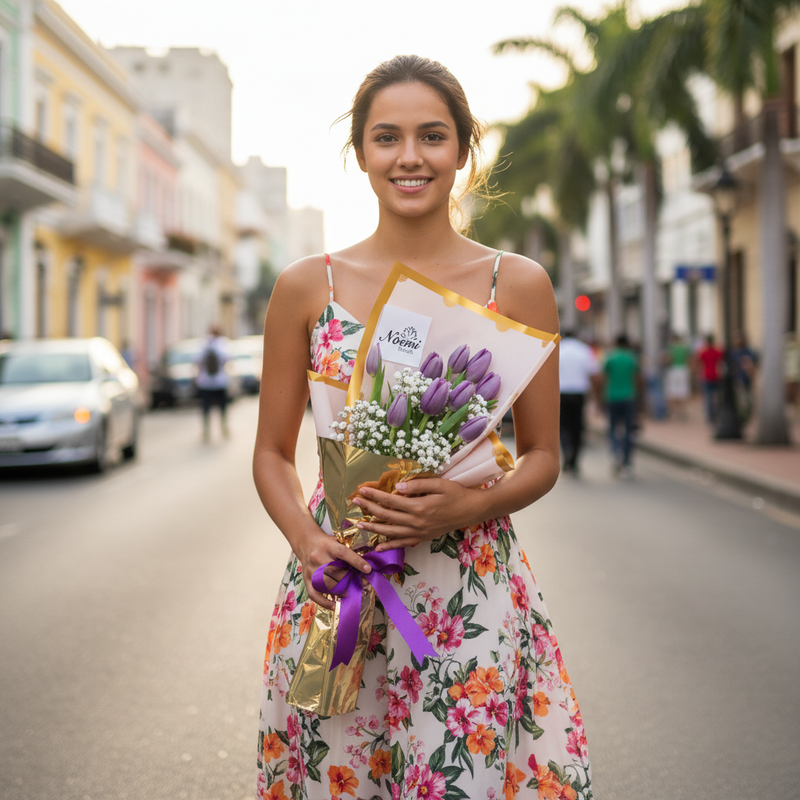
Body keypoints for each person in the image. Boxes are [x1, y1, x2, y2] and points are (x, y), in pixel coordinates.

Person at [252, 56, 591, 800]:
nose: (410, 157)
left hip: (467, 583)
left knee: (458, 778)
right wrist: (309, 542)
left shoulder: (519, 285)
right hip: (337, 580)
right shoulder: (310, 286)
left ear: (465, 151)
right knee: (337, 777)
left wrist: (470, 504)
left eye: (433, 136)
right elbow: (273, 454)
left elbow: (542, 455)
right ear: (361, 153)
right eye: (387, 138)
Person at [558, 330, 600, 475]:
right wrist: (596, 397)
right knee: (577, 427)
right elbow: (594, 374)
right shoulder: (584, 350)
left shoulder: (558, 349)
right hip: (579, 393)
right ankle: (574, 460)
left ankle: (566, 454)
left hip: (562, 392)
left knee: (563, 426)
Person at [603, 334, 640, 478]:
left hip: (612, 396)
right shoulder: (632, 358)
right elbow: (638, 379)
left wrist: (601, 399)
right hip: (629, 397)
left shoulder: (610, 357)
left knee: (613, 428)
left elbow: (604, 378)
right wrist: (641, 401)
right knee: (629, 429)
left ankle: (615, 452)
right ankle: (626, 459)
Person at [195, 324, 230, 441]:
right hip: (219, 381)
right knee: (222, 407)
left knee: (206, 407)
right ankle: (223, 429)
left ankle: (208, 430)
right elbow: (227, 359)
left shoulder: (205, 344)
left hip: (206, 382)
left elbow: (197, 360)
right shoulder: (223, 344)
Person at [663, 332, 692, 420]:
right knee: (682, 391)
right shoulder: (684, 348)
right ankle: (682, 411)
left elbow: (668, 359)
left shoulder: (671, 348)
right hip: (683, 370)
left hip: (674, 370)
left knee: (673, 392)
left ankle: (675, 411)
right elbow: (689, 359)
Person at [696, 334, 724, 424]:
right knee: (716, 397)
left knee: (708, 398)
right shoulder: (717, 352)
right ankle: (716, 415)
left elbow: (697, 362)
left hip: (707, 376)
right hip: (716, 376)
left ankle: (710, 417)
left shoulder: (703, 352)